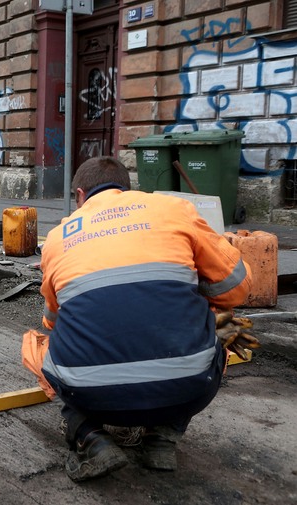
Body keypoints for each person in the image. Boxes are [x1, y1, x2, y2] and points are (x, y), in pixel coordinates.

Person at [21, 156, 254, 482]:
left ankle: (88, 436)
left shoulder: (59, 237)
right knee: (219, 324)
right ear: (128, 189)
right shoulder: (171, 209)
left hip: (90, 396)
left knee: (35, 344)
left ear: (79, 196)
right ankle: (162, 436)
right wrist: (189, 288)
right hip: (190, 390)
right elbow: (237, 288)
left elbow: (53, 323)